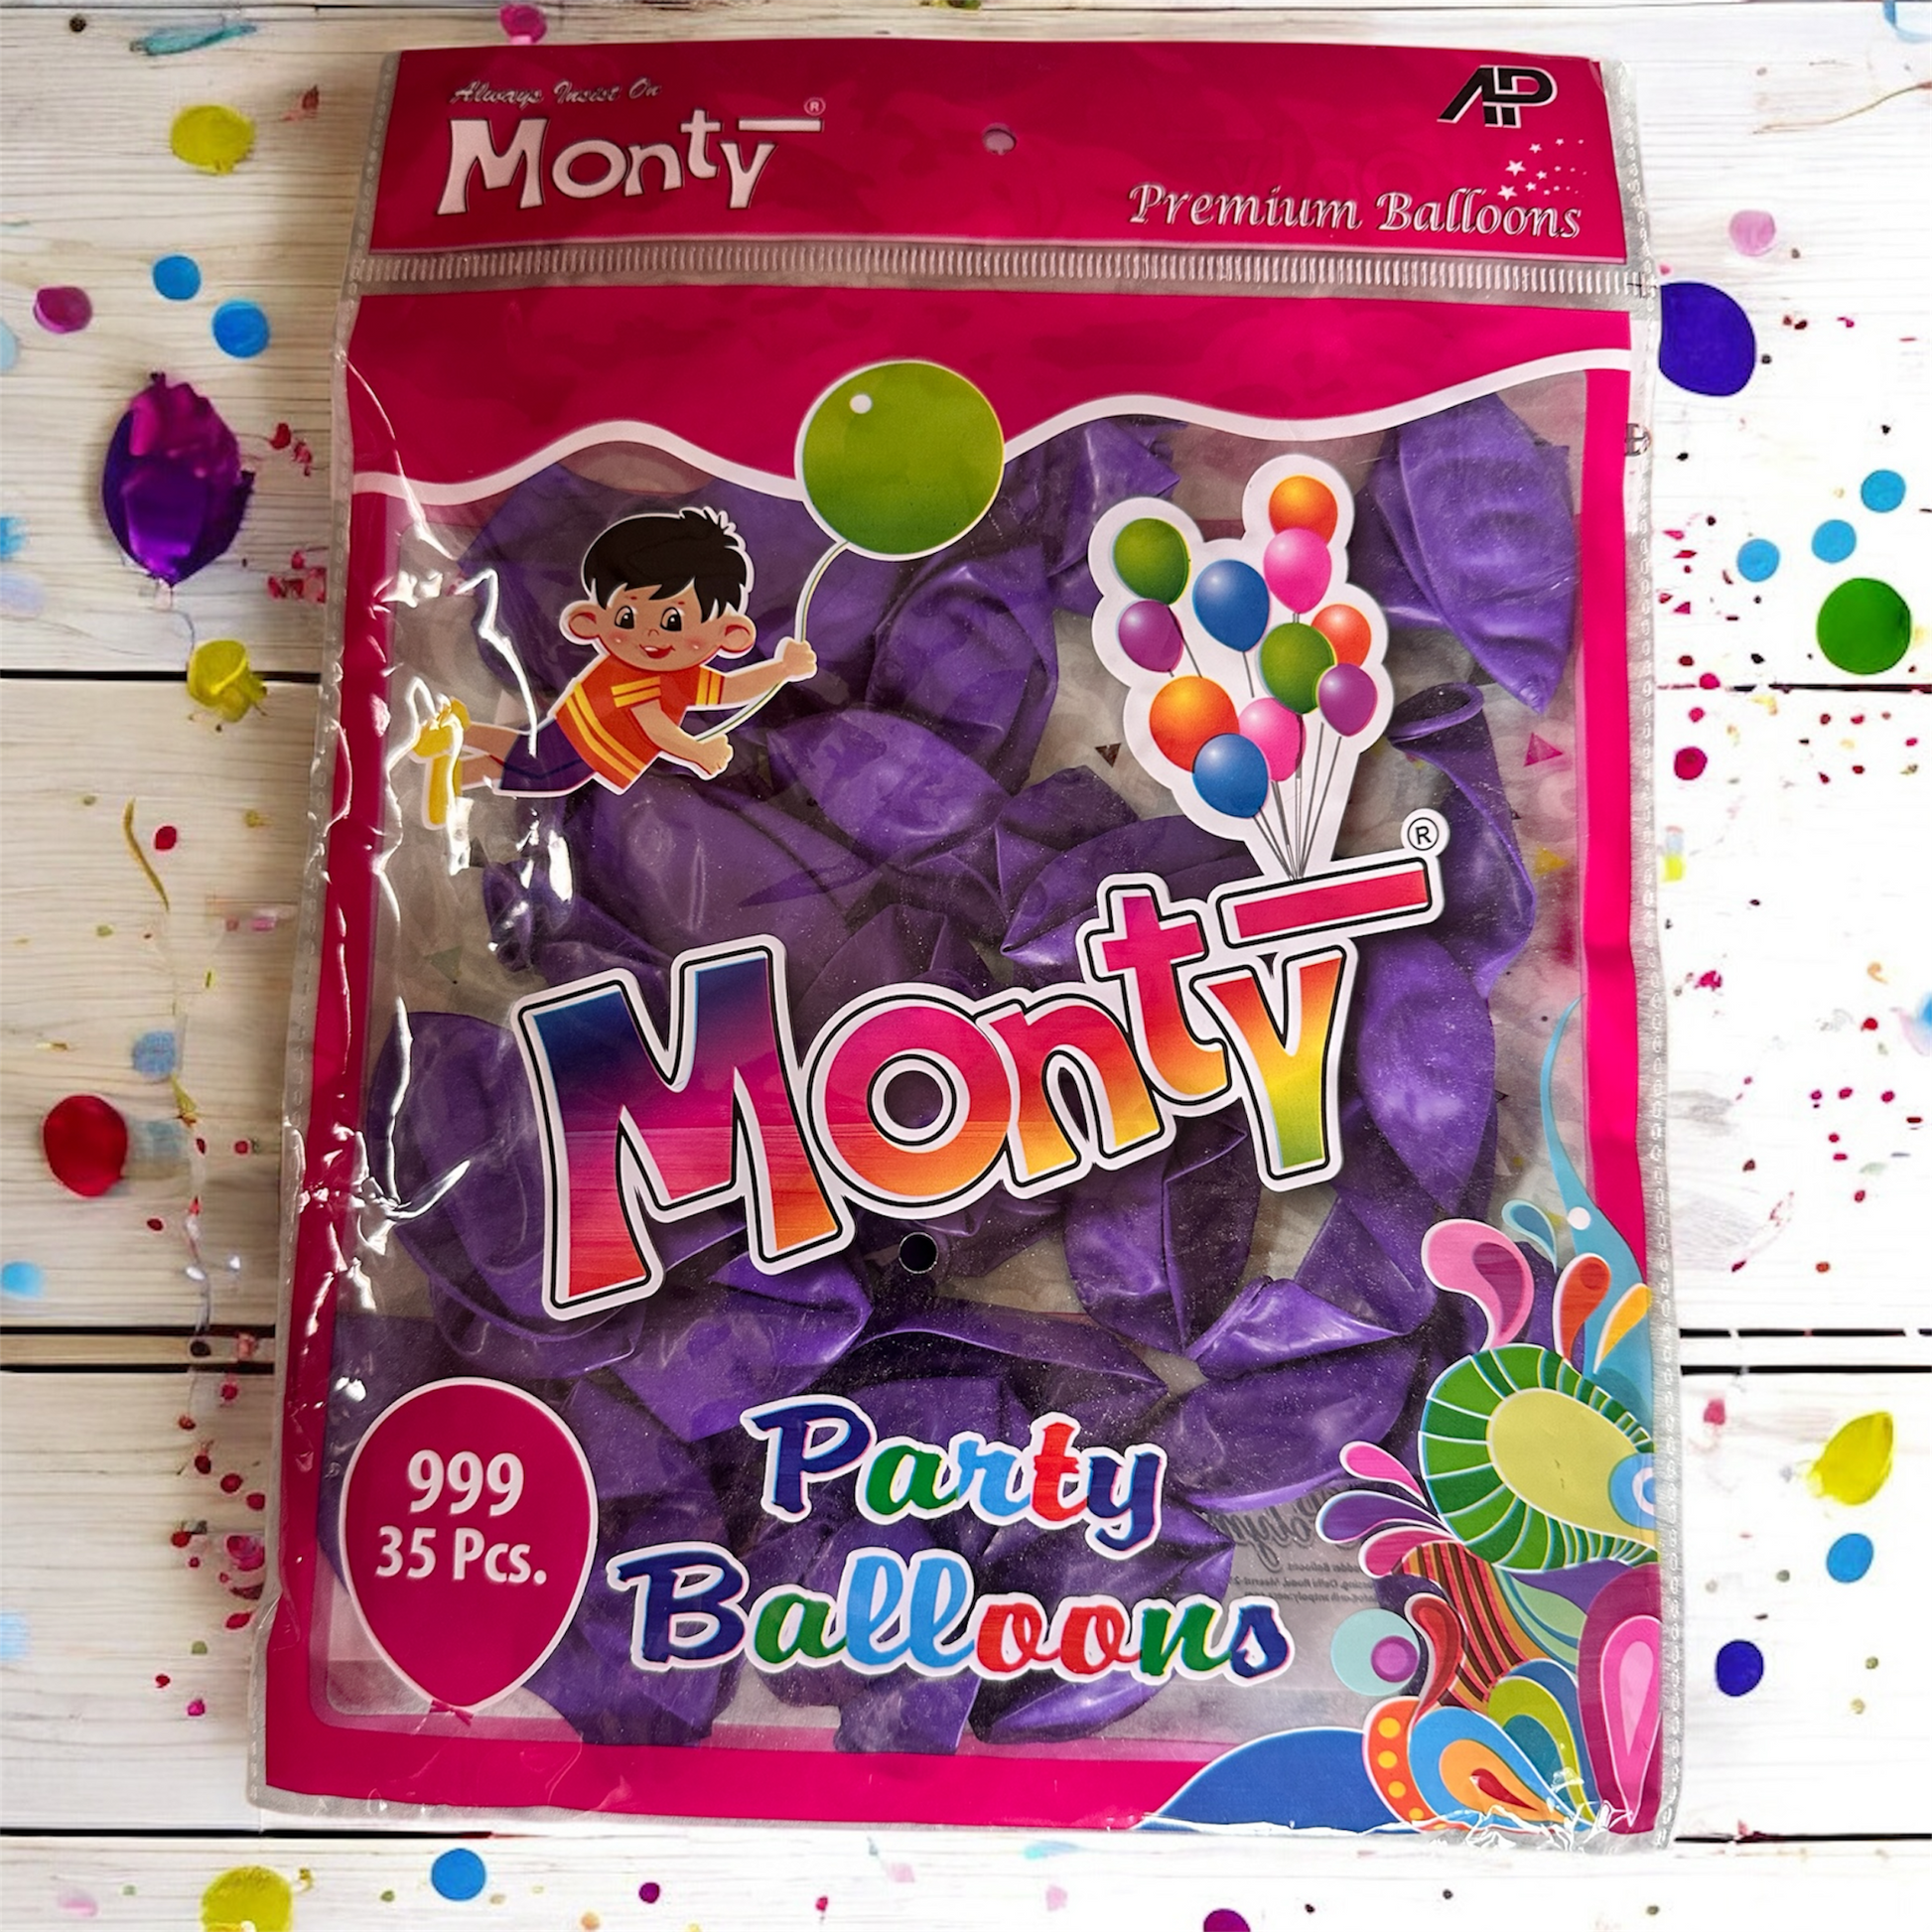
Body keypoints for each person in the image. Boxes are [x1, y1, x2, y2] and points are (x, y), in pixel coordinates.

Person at [412, 506, 815, 821]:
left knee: (526, 762)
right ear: (592, 621)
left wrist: (781, 669)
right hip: (584, 742)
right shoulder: (637, 674)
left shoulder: (682, 676)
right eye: (627, 617)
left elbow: (729, 689)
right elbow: (652, 724)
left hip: (585, 741)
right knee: (533, 769)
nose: (652, 634)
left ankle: (455, 758)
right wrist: (696, 751)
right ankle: (455, 749)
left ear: (727, 634)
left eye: (673, 621)